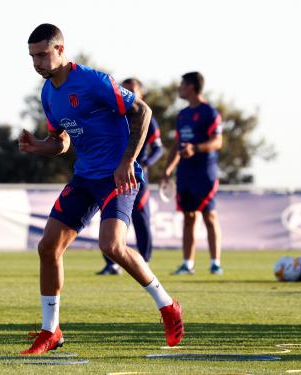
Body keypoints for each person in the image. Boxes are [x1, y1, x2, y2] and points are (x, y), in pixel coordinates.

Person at [18, 23, 184, 355]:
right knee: (48, 247)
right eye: (32, 57)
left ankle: (167, 306)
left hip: (117, 176)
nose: (36, 62)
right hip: (85, 177)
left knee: (111, 246)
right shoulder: (49, 93)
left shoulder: (92, 80)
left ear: (61, 50)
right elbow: (61, 142)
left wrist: (126, 161)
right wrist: (39, 146)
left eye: (42, 55)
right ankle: (51, 331)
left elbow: (143, 111)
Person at [97, 78, 163, 275]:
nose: (128, 93)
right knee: (109, 216)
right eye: (125, 90)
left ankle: (145, 261)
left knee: (141, 218)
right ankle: (112, 264)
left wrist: (146, 163)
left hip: (136, 175)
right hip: (112, 174)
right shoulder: (115, 115)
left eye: (133, 90)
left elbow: (158, 148)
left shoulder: (146, 117)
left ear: (141, 94)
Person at [161, 71, 224, 275]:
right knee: (188, 218)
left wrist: (195, 149)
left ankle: (215, 263)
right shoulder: (183, 115)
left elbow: (218, 141)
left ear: (191, 87)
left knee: (209, 216)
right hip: (185, 174)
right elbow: (178, 145)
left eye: (182, 85)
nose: (179, 88)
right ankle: (188, 264)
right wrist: (168, 170)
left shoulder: (210, 113)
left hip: (205, 173)